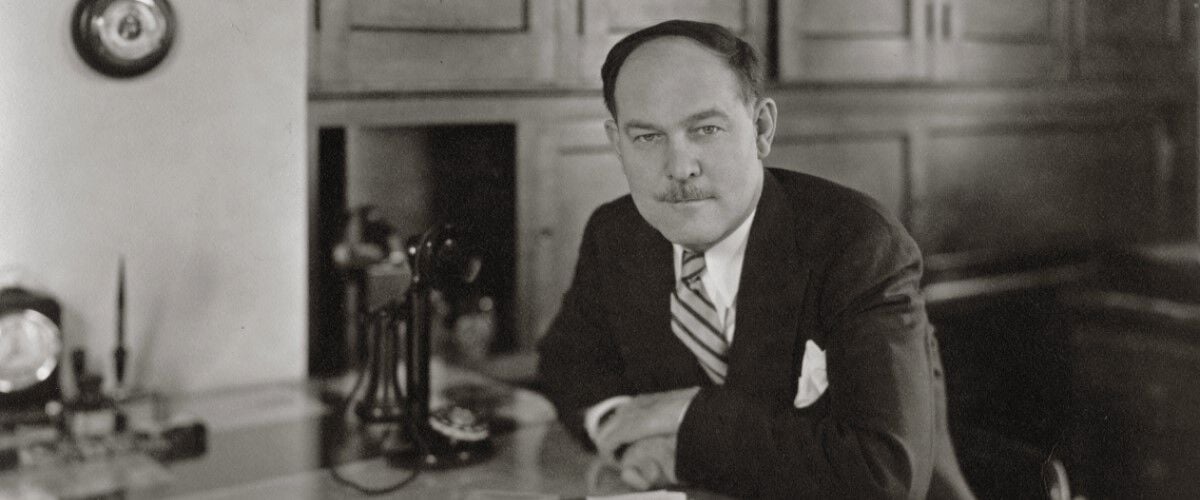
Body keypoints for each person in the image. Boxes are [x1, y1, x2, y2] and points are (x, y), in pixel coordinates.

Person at [537, 20, 974, 499]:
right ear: (615, 142)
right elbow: (569, 365)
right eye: (646, 137)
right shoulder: (618, 232)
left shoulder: (858, 245)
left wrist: (684, 416)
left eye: (705, 129)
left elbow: (884, 476)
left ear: (761, 129)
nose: (679, 167)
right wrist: (623, 437)